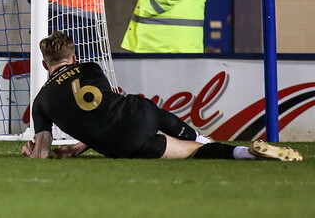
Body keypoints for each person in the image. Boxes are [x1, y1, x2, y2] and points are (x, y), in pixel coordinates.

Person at [24, 31, 302, 161]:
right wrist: (76, 148)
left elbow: (43, 152)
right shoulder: (91, 67)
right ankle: (209, 139)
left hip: (125, 145)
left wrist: (38, 152)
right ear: (73, 57)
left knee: (195, 155)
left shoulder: (41, 102)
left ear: (44, 65)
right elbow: (102, 110)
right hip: (139, 114)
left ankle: (242, 154)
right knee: (150, 112)